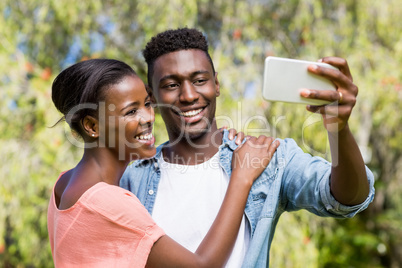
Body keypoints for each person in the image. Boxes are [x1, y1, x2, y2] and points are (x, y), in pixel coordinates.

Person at [120, 28, 375, 267]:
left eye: (199, 80)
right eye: (171, 85)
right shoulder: (132, 179)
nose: (188, 95)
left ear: (216, 84)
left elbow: (348, 199)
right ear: (151, 96)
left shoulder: (266, 158)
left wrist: (339, 128)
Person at [47, 58, 280, 267]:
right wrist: (242, 176)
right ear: (92, 126)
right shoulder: (107, 201)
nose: (148, 118)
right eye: (130, 112)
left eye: (147, 104)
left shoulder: (64, 184)